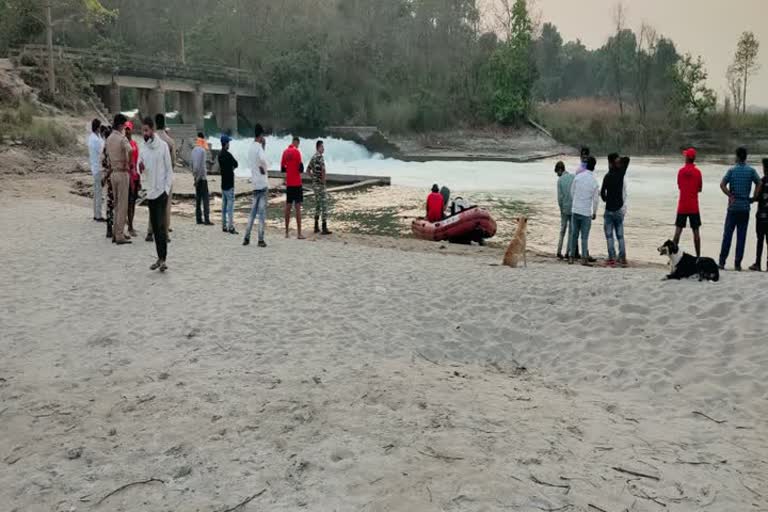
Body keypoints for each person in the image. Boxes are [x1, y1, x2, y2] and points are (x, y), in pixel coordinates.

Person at [139, 117, 173, 272]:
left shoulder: (163, 146)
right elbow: (140, 170)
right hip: (150, 193)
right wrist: (140, 168)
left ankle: (163, 259)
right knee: (155, 227)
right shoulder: (143, 147)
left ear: (152, 130)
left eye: (146, 130)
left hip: (161, 192)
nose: (144, 133)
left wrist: (166, 189)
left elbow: (169, 170)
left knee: (160, 227)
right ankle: (159, 258)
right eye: (143, 130)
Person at [718, 147, 761, 271]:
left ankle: (722, 262)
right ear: (746, 157)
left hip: (733, 208)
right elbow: (759, 183)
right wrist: (754, 197)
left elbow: (722, 184)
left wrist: (730, 195)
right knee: (741, 237)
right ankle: (737, 263)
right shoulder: (751, 171)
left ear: (737, 157)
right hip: (745, 208)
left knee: (727, 235)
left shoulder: (731, 170)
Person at [146, 114, 176, 242]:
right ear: (164, 123)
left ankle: (150, 232)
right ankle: (164, 233)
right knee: (165, 207)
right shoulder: (169, 141)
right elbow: (173, 162)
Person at [105, 113, 132, 245]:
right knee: (122, 205)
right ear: (121, 125)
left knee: (116, 204)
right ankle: (120, 234)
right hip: (122, 173)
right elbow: (130, 150)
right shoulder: (122, 138)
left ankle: (116, 232)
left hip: (113, 173)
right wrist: (129, 164)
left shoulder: (109, 138)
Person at [601, 153, 630, 267]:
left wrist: (607, 199)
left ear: (609, 163)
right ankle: (622, 258)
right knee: (620, 235)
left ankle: (612, 258)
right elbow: (627, 159)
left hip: (609, 209)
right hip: (619, 209)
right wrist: (619, 161)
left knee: (609, 236)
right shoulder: (620, 173)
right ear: (616, 162)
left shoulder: (607, 176)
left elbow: (603, 194)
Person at [674, 148, 704, 257]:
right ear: (694, 158)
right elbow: (700, 189)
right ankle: (698, 256)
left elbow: (679, 186)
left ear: (687, 158)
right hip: (693, 206)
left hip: (682, 205)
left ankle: (672, 256)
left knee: (678, 231)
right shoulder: (698, 172)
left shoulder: (681, 172)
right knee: (696, 233)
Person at [570, 156, 599, 265]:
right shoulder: (594, 182)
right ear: (594, 167)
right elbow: (596, 199)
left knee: (574, 235)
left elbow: (572, 192)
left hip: (576, 209)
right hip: (586, 212)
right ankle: (584, 259)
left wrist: (575, 203)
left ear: (586, 165)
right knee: (584, 237)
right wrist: (594, 212)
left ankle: (571, 257)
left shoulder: (578, 177)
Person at [243, 124, 269, 247]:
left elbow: (252, 162)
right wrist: (263, 169)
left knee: (252, 213)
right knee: (262, 214)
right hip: (262, 183)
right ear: (261, 135)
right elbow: (263, 161)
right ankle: (260, 239)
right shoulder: (259, 148)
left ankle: (246, 237)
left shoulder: (251, 147)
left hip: (254, 183)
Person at [281, 136, 305, 239]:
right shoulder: (297, 152)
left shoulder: (285, 152)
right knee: (298, 208)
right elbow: (300, 169)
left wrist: (289, 170)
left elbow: (282, 168)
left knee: (288, 207)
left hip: (289, 183)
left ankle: (286, 232)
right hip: (297, 183)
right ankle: (299, 233)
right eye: (298, 144)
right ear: (297, 143)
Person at [308, 140, 332, 235]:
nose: (323, 148)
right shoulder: (320, 157)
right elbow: (323, 170)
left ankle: (315, 226)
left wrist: (313, 178)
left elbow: (307, 170)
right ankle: (324, 227)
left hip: (315, 185)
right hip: (320, 185)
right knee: (324, 205)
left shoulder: (313, 157)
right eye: (322, 147)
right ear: (318, 147)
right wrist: (323, 181)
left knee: (318, 205)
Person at [749, 159, 768, 271]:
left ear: (765, 168)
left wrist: (750, 199)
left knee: (760, 240)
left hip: (761, 216)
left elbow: (756, 197)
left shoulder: (761, 182)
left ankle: (758, 263)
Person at [219, 134, 239, 234]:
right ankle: (231, 227)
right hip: (230, 183)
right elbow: (236, 164)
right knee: (230, 207)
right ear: (225, 143)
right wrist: (232, 168)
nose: (229, 144)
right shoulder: (228, 155)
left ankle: (224, 226)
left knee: (224, 206)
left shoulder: (220, 155)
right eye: (228, 143)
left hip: (223, 183)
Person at [555, 161, 574, 260]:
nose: (557, 175)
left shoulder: (560, 180)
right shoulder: (573, 177)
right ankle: (568, 252)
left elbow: (560, 197)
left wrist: (561, 208)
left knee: (562, 230)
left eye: (557, 173)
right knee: (571, 231)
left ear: (559, 170)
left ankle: (559, 251)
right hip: (573, 207)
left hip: (564, 208)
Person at [191, 132, 212, 225]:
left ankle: (198, 219)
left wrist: (195, 178)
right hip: (202, 178)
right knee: (205, 199)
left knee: (198, 199)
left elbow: (193, 166)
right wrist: (199, 178)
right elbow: (202, 166)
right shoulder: (203, 151)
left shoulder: (193, 150)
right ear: (202, 139)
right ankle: (207, 219)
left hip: (196, 177)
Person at [88, 119, 105, 222]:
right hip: (98, 168)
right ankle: (98, 215)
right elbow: (102, 150)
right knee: (99, 192)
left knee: (96, 192)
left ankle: (96, 213)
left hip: (94, 167)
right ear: (98, 127)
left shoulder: (91, 137)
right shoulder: (96, 140)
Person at [125, 121, 140, 237]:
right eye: (125, 129)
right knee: (128, 202)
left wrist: (138, 178)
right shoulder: (123, 143)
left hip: (135, 175)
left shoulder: (134, 144)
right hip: (126, 176)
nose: (127, 131)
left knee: (133, 202)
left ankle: (131, 224)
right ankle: (129, 226)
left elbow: (137, 161)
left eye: (129, 129)